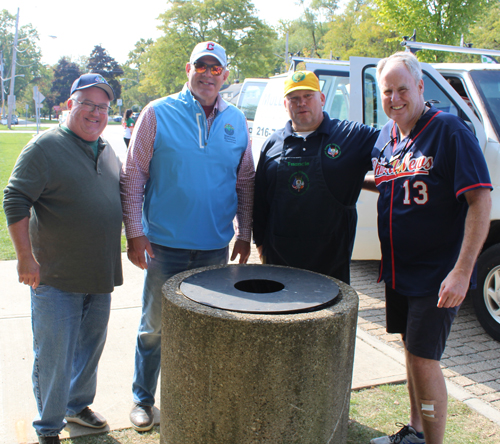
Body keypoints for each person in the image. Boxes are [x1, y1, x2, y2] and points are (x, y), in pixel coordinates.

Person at [120, 41, 254, 431]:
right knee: (155, 327)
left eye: (216, 69)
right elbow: (134, 174)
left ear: (225, 76)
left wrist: (244, 233)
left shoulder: (237, 121)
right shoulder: (157, 113)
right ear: (188, 69)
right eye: (202, 66)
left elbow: (245, 181)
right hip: (164, 246)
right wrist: (135, 233)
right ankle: (143, 399)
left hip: (215, 248)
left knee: (208, 325)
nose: (208, 74)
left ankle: (199, 396)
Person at [365, 52, 492, 444]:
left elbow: (480, 200)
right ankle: (414, 432)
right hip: (400, 271)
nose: (395, 98)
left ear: (421, 87)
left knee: (424, 360)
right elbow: (396, 181)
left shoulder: (449, 130)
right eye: (387, 91)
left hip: (437, 273)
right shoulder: (387, 136)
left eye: (403, 89)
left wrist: (463, 269)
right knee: (410, 352)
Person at [3, 74, 123, 444]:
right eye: (87, 103)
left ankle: (77, 406)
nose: (95, 112)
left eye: (102, 106)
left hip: (99, 274)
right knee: (54, 357)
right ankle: (49, 428)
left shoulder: (105, 149)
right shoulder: (45, 146)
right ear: (70, 104)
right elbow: (15, 199)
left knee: (89, 350)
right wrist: (25, 258)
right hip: (55, 277)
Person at [253, 70, 379, 284]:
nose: (301, 103)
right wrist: (259, 243)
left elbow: (399, 147)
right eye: (294, 98)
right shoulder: (272, 144)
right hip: (280, 258)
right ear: (285, 105)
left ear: (321, 99)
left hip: (330, 261)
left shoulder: (352, 136)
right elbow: (260, 199)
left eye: (308, 96)